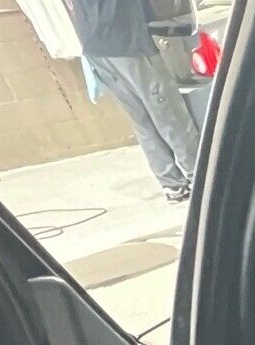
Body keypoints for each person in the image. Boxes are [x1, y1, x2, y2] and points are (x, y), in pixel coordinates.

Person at [65, 0, 202, 202]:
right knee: (170, 116)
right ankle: (201, 177)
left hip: (96, 48)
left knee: (141, 120)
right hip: (128, 43)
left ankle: (172, 185)